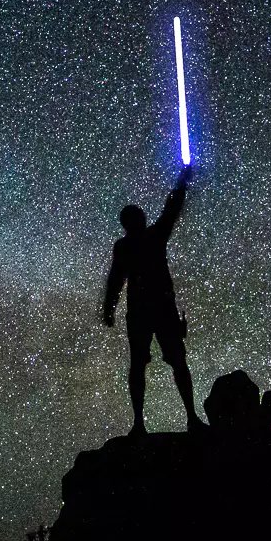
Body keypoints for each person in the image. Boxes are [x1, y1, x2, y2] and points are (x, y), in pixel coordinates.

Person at [100, 164, 202, 435]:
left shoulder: (128, 245)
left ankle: (143, 423)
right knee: (172, 361)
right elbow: (171, 210)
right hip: (158, 308)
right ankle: (188, 418)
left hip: (143, 311)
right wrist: (181, 183)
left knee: (145, 364)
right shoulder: (151, 237)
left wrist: (110, 308)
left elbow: (115, 279)